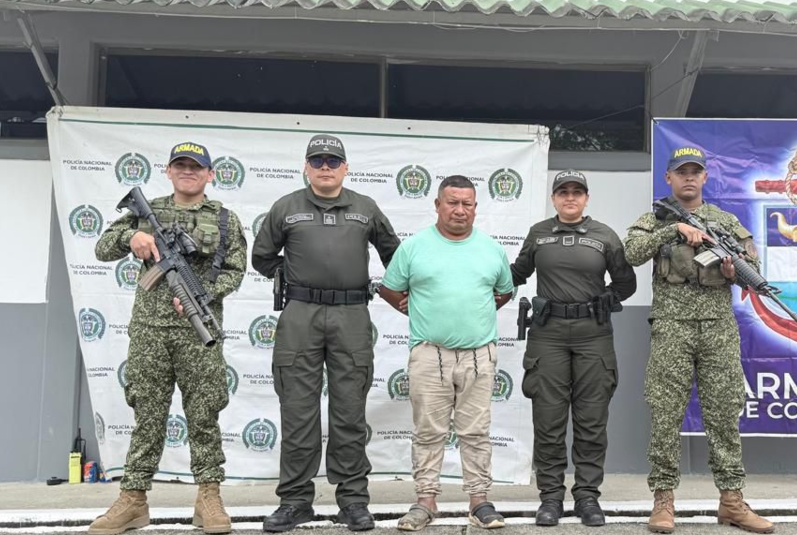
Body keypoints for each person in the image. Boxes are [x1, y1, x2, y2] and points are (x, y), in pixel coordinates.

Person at [91, 141, 247, 535]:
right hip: (150, 333)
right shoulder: (147, 214)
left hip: (199, 331)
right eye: (181, 165)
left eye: (196, 167)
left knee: (204, 415)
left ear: (210, 174)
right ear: (169, 170)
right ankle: (133, 499)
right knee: (147, 416)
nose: (188, 171)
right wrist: (132, 240)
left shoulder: (226, 220)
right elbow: (101, 248)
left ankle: (208, 496)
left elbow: (235, 270)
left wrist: (203, 293)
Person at [252, 134, 400, 533]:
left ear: (345, 168)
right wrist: (293, 278)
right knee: (297, 412)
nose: (325, 167)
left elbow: (395, 255)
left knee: (349, 412)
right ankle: (295, 500)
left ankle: (352, 500)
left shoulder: (365, 208)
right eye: (317, 160)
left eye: (333, 161)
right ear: (306, 167)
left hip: (351, 314)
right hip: (300, 315)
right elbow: (262, 256)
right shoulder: (286, 208)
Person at [623, 147, 774, 534]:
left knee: (724, 413)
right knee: (665, 413)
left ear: (705, 178)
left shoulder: (724, 221)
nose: (689, 177)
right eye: (681, 172)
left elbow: (751, 271)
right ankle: (663, 500)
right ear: (668, 179)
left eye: (696, 172)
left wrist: (732, 270)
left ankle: (732, 500)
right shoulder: (654, 218)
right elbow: (631, 253)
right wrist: (674, 230)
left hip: (718, 327)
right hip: (672, 326)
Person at [377, 175, 514, 532]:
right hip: (429, 354)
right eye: (452, 202)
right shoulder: (414, 247)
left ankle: (479, 501)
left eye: (467, 203)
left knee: (476, 431)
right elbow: (390, 289)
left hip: (479, 355)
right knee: (428, 431)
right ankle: (425, 501)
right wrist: (422, 312)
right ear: (437, 205)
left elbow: (503, 293)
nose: (459, 210)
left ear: (475, 208)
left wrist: (472, 315)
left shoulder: (491, 249)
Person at [508, 170, 636, 527]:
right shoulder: (539, 234)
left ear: (586, 198)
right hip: (547, 334)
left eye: (576, 192)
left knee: (591, 420)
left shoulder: (604, 236)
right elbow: (516, 273)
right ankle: (550, 498)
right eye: (563, 192)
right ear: (553, 198)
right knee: (548, 420)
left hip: (593, 334)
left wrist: (606, 298)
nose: (570, 198)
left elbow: (626, 281)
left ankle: (587, 497)